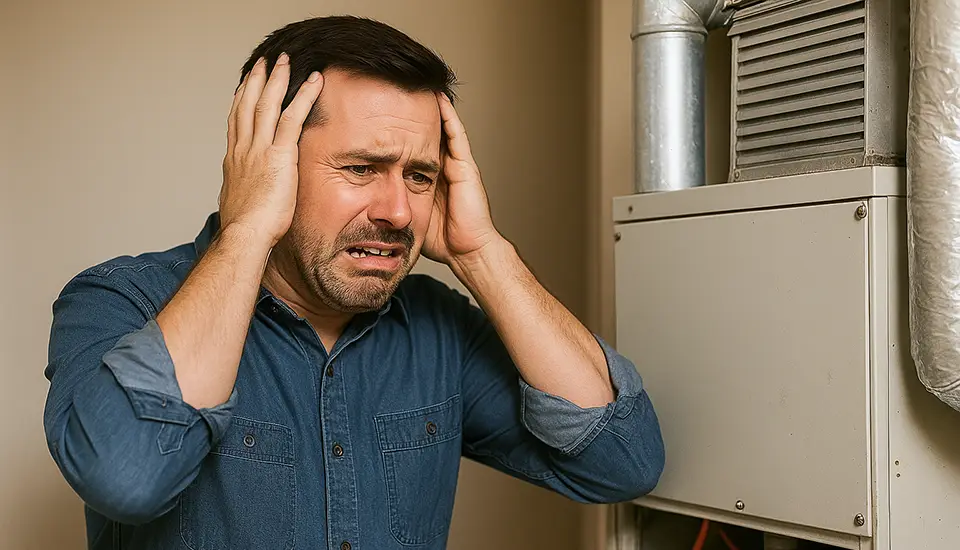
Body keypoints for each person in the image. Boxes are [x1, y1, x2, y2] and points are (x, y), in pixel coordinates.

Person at [43, 15, 664, 550]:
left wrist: (483, 254)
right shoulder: (121, 298)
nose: (397, 211)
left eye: (419, 176)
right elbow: (125, 477)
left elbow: (622, 461)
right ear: (269, 164)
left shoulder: (437, 327)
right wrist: (247, 231)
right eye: (361, 168)